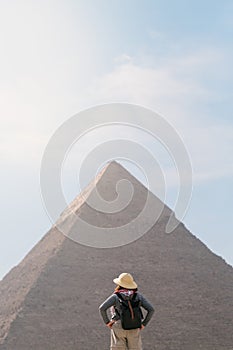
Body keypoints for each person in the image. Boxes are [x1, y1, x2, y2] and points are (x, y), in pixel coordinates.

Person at [99, 272, 154, 350]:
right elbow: (151, 309)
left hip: (119, 326)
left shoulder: (115, 296)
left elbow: (102, 308)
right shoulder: (138, 296)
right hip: (134, 325)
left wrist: (108, 322)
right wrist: (143, 324)